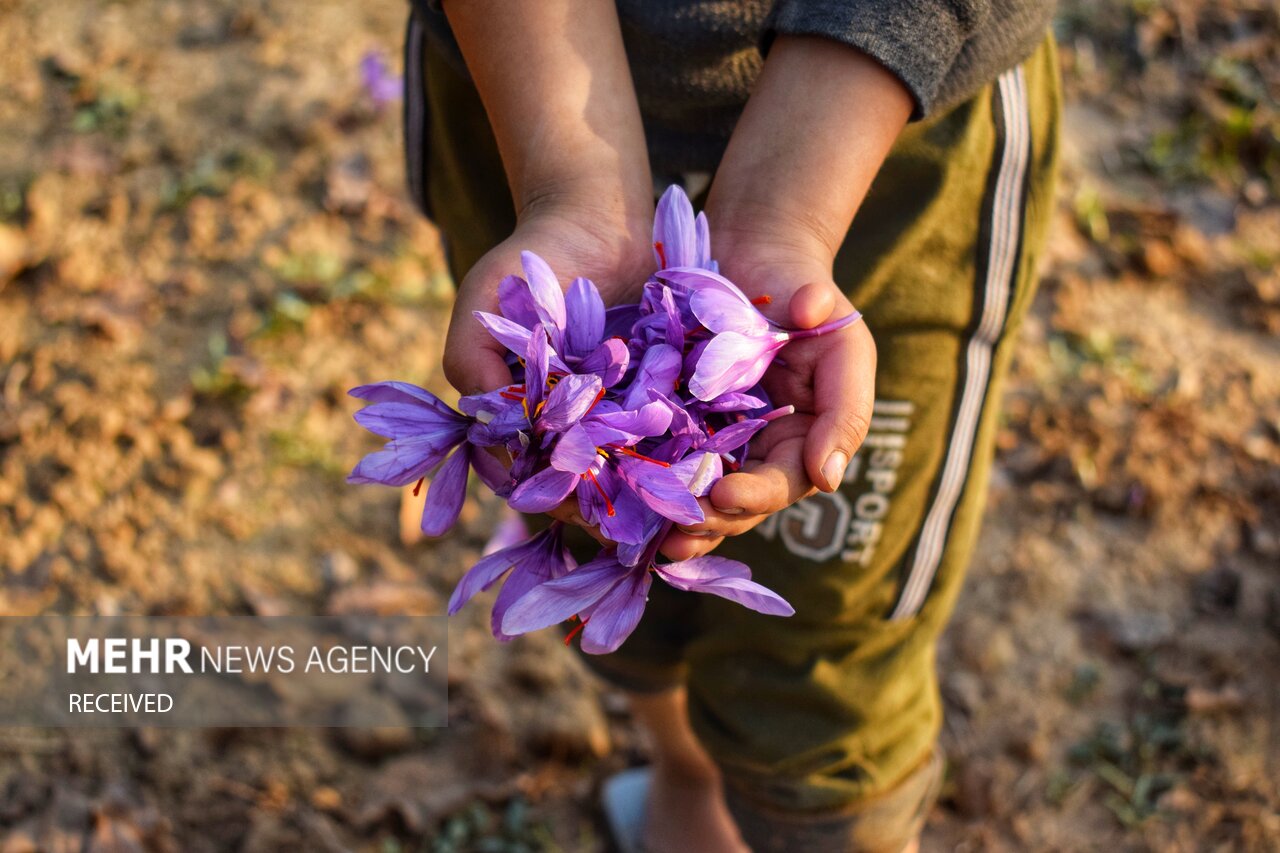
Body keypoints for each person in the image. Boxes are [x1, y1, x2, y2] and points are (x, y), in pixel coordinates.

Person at [401, 1, 1059, 850]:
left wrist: (789, 213)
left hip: (889, 121)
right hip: (519, 93)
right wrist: (571, 190)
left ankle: (818, 819)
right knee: (591, 528)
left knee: (825, 645)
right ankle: (685, 771)